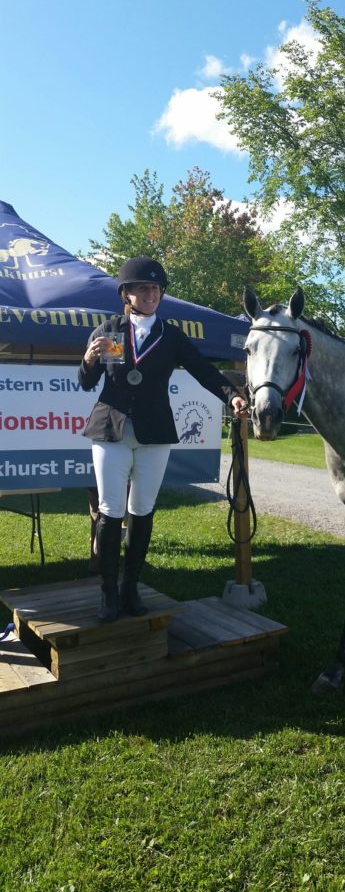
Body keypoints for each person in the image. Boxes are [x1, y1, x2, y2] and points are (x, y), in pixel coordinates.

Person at [79, 256, 247, 623]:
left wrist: (230, 395)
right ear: (127, 293)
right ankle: (107, 593)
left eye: (156, 288)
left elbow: (204, 371)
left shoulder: (172, 336)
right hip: (111, 431)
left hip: (155, 433)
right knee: (111, 509)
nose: (151, 293)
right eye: (143, 288)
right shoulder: (106, 331)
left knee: (142, 509)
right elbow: (87, 383)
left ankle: (130, 586)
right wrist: (89, 360)